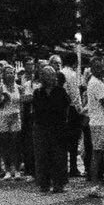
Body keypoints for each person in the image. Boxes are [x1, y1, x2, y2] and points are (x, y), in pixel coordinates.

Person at [28, 59, 72, 193]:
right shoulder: (38, 92)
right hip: (41, 128)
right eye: (46, 75)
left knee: (58, 156)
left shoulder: (61, 92)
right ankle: (44, 183)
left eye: (52, 75)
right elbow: (35, 110)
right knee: (42, 157)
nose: (49, 78)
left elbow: (66, 109)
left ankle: (59, 183)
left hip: (58, 127)